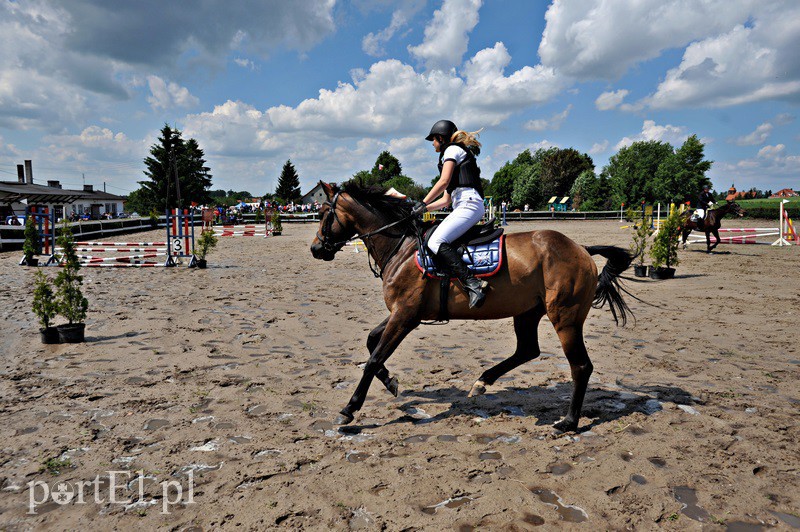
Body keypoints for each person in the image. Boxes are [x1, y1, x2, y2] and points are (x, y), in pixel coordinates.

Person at [414, 119, 487, 309]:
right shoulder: (454, 155)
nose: (432, 144)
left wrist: (423, 202)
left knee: (435, 241)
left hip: (469, 205)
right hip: (463, 205)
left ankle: (473, 283)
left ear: (440, 138)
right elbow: (445, 200)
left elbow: (443, 182)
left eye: (433, 140)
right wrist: (422, 210)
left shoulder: (452, 151)